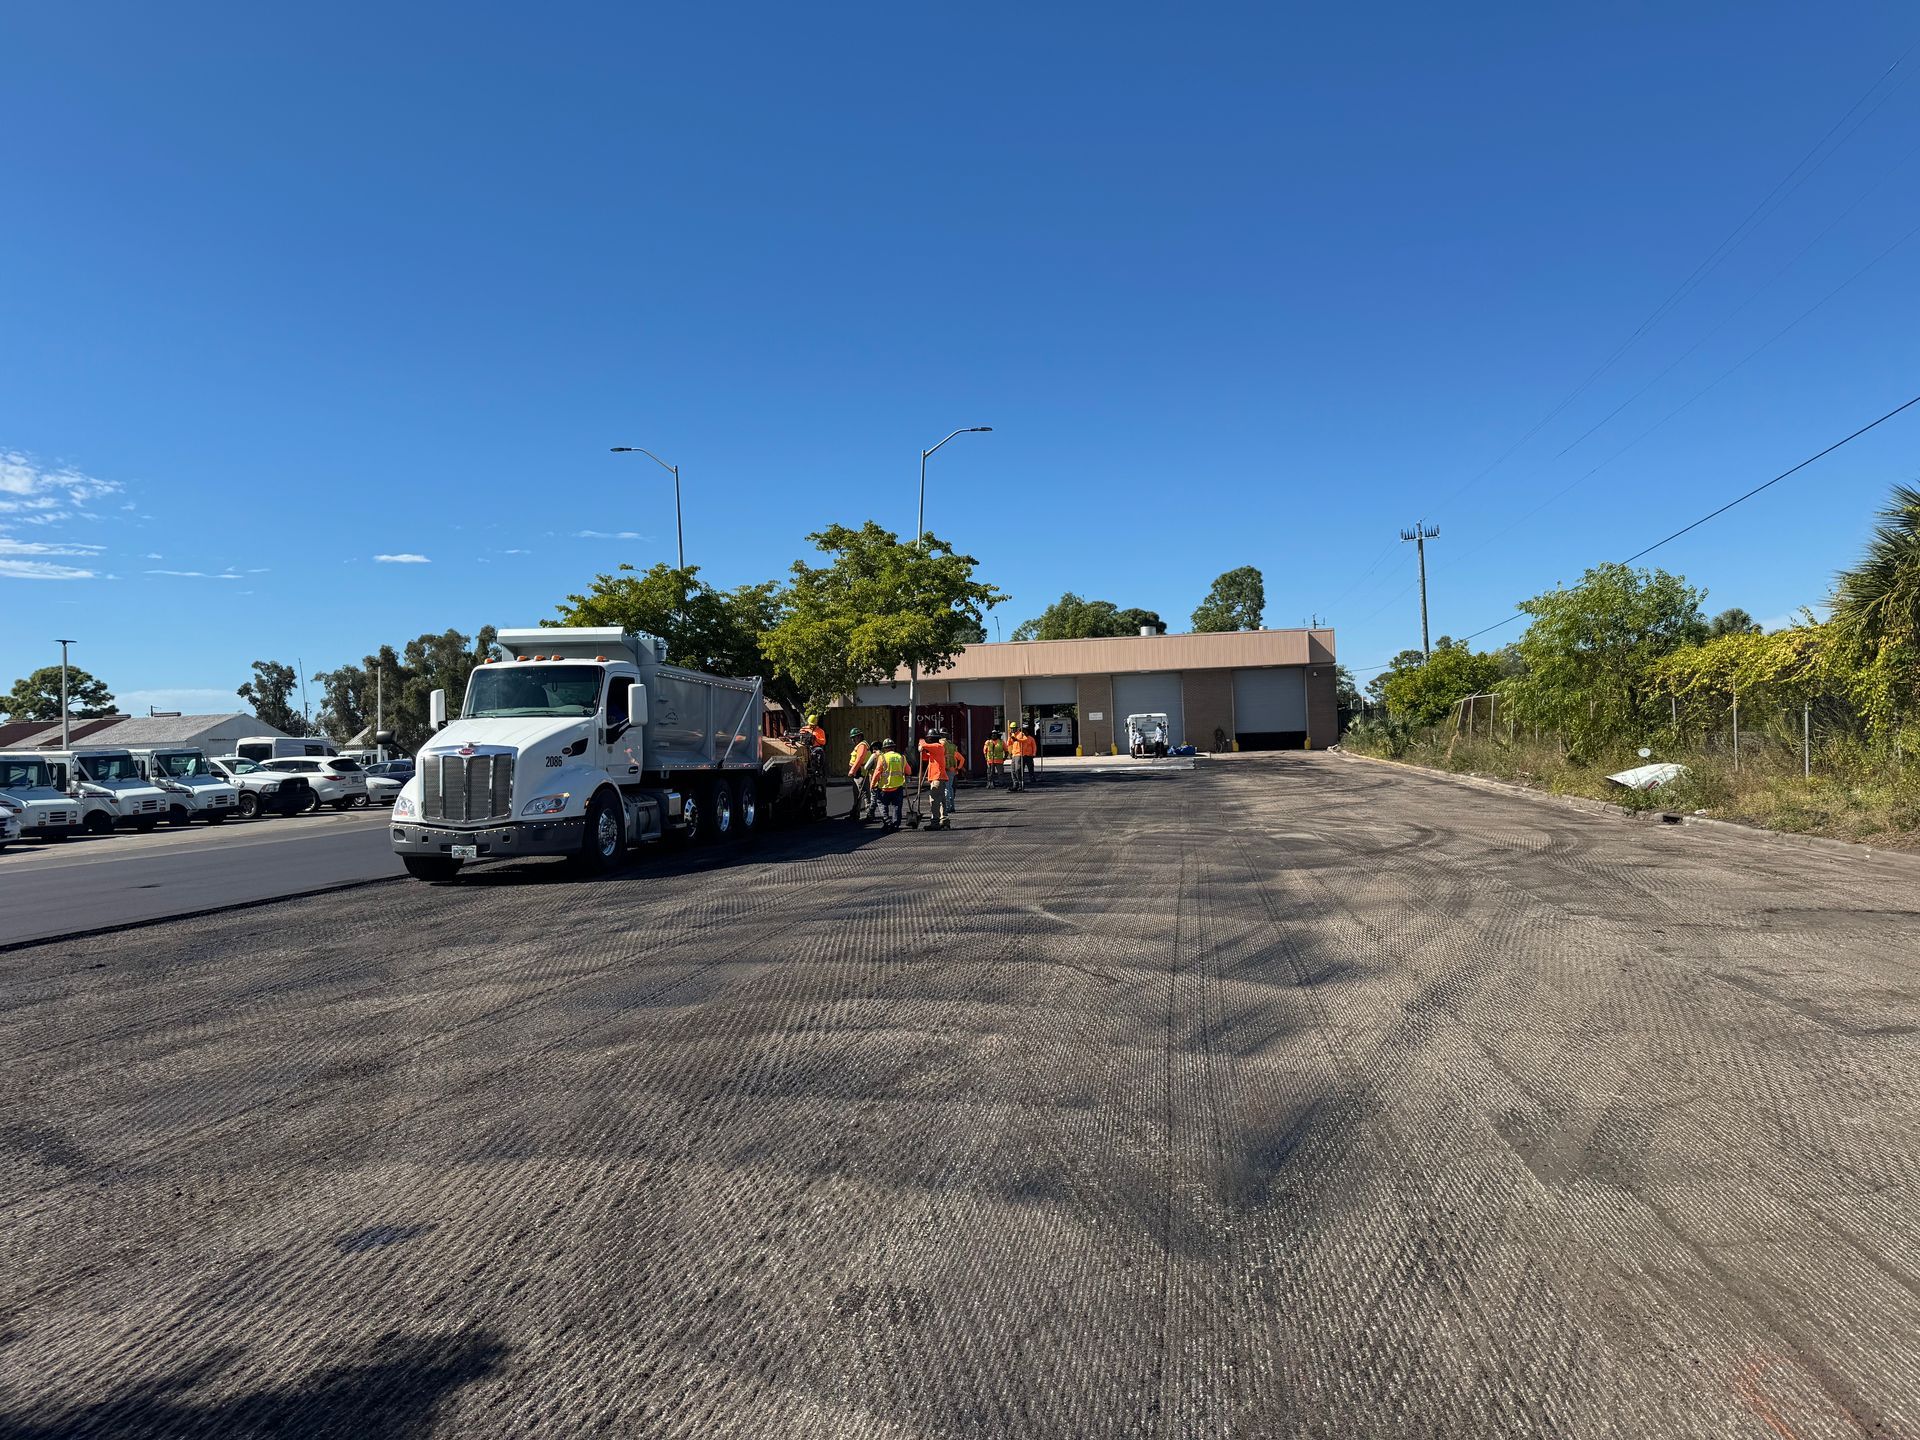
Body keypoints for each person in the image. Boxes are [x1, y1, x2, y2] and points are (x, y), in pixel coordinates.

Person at [870, 737, 909, 830]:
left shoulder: (882, 758)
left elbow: (877, 772)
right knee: (897, 806)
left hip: (884, 787)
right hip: (898, 787)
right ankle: (895, 825)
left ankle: (887, 821)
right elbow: (909, 771)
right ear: (893, 747)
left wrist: (872, 784)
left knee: (881, 804)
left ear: (885, 748)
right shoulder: (901, 757)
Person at [918, 728, 953, 830]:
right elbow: (925, 757)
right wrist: (923, 750)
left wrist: (921, 742)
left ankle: (935, 823)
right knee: (941, 800)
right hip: (939, 778)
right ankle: (944, 820)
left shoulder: (937, 746)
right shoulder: (936, 750)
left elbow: (923, 744)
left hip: (937, 778)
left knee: (934, 800)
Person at [846, 728, 872, 822]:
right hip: (857, 774)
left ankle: (869, 814)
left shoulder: (862, 745)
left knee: (864, 793)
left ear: (859, 736)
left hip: (860, 773)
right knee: (857, 794)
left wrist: (852, 770)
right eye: (852, 738)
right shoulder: (860, 745)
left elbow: (860, 758)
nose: (853, 740)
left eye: (854, 737)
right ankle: (855, 814)